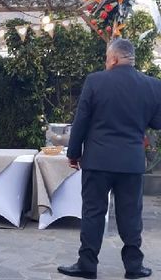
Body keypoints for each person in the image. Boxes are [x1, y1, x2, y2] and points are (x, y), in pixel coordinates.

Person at [58, 38, 161, 279]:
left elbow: (81, 121)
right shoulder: (153, 86)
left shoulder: (95, 81)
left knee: (93, 212)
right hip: (131, 163)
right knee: (131, 214)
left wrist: (73, 154)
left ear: (113, 58)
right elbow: (157, 123)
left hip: (98, 161)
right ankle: (134, 267)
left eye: (107, 59)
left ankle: (87, 264)